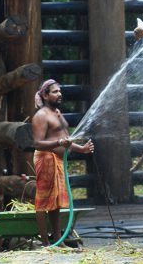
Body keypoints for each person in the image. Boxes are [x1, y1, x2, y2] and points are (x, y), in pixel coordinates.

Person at [32, 79, 94, 247]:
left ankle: (58, 241)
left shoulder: (57, 112)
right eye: (54, 92)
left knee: (56, 201)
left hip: (58, 159)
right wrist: (59, 144)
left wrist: (82, 149)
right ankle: (46, 244)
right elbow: (38, 143)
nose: (59, 94)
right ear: (45, 95)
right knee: (43, 200)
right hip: (45, 158)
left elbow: (64, 139)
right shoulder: (41, 116)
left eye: (60, 91)